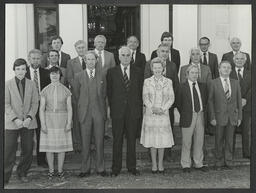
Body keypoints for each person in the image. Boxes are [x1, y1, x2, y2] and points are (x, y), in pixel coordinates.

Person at [107, 46, 143, 177]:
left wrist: (139, 110)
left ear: (131, 57)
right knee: (117, 140)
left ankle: (131, 167)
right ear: (118, 56)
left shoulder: (138, 71)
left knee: (131, 141)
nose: (126, 57)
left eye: (128, 55)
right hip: (118, 112)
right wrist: (112, 109)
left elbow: (140, 92)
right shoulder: (111, 72)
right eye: (123, 55)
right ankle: (115, 168)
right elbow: (109, 93)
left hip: (133, 112)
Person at [73, 51, 108, 177]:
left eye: (93, 59)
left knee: (99, 141)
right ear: (85, 61)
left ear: (96, 61)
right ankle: (85, 168)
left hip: (99, 112)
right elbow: (76, 95)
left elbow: (105, 94)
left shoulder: (102, 75)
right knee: (85, 142)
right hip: (85, 113)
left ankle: (100, 168)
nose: (91, 61)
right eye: (88, 59)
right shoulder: (78, 76)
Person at [5, 58, 39, 184]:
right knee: (8, 150)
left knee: (28, 149)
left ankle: (22, 172)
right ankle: (5, 176)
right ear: (14, 70)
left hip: (28, 123)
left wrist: (29, 117)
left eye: (23, 69)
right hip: (12, 123)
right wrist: (15, 119)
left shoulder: (31, 84)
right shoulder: (7, 84)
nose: (21, 71)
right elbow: (6, 104)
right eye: (18, 69)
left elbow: (35, 103)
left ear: (26, 70)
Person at [145, 43, 179, 161]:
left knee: (165, 133)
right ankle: (152, 157)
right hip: (152, 110)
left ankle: (166, 156)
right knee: (152, 135)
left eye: (166, 51)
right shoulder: (150, 64)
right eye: (162, 51)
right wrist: (152, 108)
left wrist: (166, 107)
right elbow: (145, 92)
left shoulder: (172, 65)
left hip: (166, 108)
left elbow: (175, 84)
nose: (164, 53)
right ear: (157, 52)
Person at [140, 57, 175, 174]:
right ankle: (154, 164)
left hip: (163, 115)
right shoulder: (147, 81)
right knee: (152, 140)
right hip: (151, 115)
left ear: (163, 68)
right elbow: (145, 97)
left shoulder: (168, 81)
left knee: (162, 141)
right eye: (155, 67)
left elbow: (171, 98)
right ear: (152, 69)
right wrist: (152, 108)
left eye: (159, 67)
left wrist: (163, 109)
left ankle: (160, 163)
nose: (157, 69)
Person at [39, 66, 73, 180]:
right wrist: (43, 124)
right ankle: (51, 170)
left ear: (60, 75)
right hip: (49, 120)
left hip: (62, 120)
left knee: (61, 148)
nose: (54, 76)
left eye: (57, 74)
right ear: (49, 75)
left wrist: (69, 123)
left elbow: (69, 108)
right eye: (52, 74)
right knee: (49, 148)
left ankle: (60, 170)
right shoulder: (45, 90)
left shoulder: (66, 90)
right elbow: (41, 108)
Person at [208, 61, 242, 170]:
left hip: (232, 117)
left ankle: (229, 161)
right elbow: (210, 101)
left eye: (228, 67)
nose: (226, 69)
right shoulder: (213, 83)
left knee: (229, 140)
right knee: (218, 140)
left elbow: (238, 101)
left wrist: (239, 117)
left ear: (231, 70)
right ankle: (218, 161)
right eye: (224, 67)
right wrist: (212, 117)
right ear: (219, 69)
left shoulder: (235, 82)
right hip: (218, 117)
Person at [176, 64, 208, 173]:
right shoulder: (181, 87)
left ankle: (198, 163)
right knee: (186, 141)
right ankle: (185, 164)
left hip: (200, 115)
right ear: (187, 74)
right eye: (192, 73)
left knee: (199, 141)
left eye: (196, 73)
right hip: (188, 115)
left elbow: (206, 100)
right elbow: (179, 103)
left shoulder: (203, 86)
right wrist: (186, 113)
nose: (195, 75)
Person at [25, 49, 51, 168]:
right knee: (28, 136)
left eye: (38, 58)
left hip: (42, 107)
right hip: (28, 109)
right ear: (29, 59)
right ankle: (26, 161)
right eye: (33, 58)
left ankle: (41, 160)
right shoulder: (23, 73)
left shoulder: (46, 73)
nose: (36, 60)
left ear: (41, 59)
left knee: (41, 134)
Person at [93, 35, 116, 140]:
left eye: (102, 42)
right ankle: (94, 132)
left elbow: (113, 71)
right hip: (93, 86)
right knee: (95, 109)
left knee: (105, 109)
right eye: (98, 42)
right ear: (94, 43)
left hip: (107, 86)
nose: (100, 44)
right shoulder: (89, 54)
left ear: (105, 44)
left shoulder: (110, 55)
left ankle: (105, 132)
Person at [66, 40, 87, 152]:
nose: (81, 49)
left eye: (83, 47)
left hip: (90, 97)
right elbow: (70, 78)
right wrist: (79, 91)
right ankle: (78, 144)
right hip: (77, 96)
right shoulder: (71, 62)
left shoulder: (92, 59)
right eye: (79, 48)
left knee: (88, 120)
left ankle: (89, 143)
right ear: (76, 49)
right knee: (77, 120)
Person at [230, 53, 251, 159]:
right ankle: (230, 153)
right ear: (234, 60)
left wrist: (245, 99)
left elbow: (252, 88)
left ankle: (247, 153)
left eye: (242, 59)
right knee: (231, 131)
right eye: (237, 59)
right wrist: (237, 101)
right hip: (232, 107)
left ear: (245, 60)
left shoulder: (250, 73)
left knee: (246, 131)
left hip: (247, 106)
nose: (239, 60)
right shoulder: (228, 72)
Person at [127, 35, 146, 138]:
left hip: (138, 87)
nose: (132, 43)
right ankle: (127, 132)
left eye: (135, 42)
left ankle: (138, 132)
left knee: (137, 110)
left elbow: (143, 72)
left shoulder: (142, 56)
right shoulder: (122, 54)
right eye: (130, 41)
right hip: (125, 87)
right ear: (127, 43)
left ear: (138, 44)